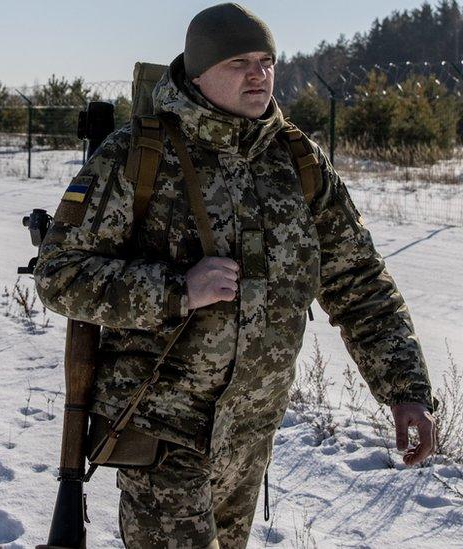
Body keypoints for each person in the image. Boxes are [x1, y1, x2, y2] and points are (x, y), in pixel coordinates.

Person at [33, 4, 436, 548]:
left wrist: (405, 390)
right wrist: (178, 290)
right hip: (161, 426)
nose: (258, 74)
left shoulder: (297, 161)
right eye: (239, 62)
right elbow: (60, 274)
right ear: (198, 73)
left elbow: (359, 283)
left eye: (266, 61)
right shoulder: (140, 154)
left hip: (249, 432)